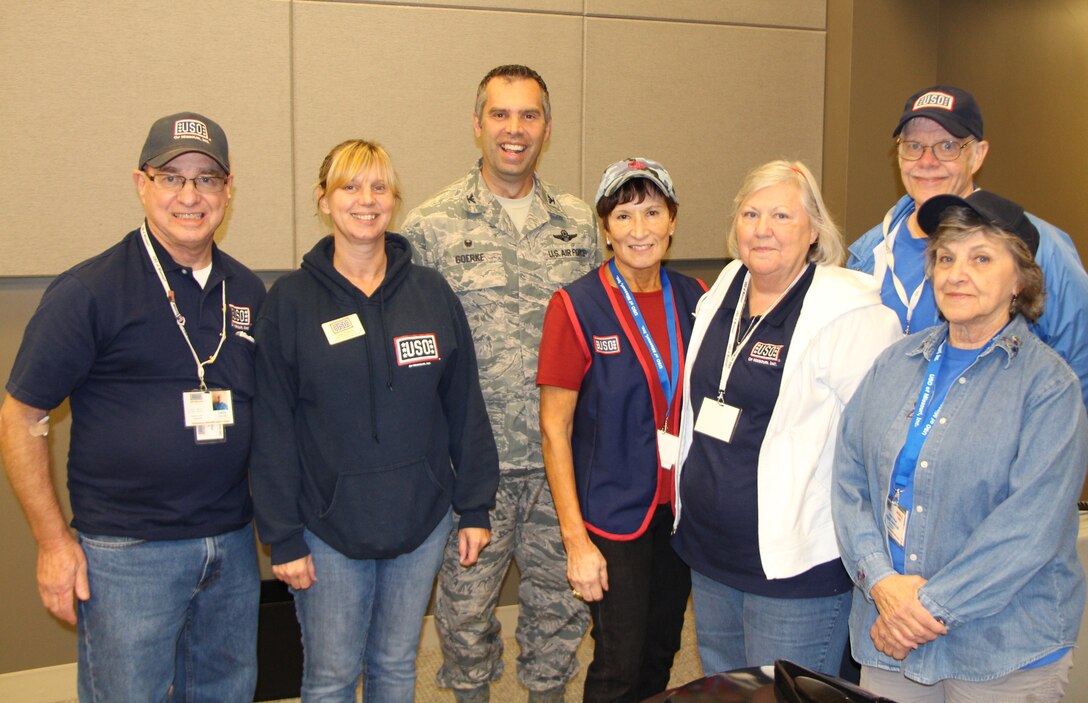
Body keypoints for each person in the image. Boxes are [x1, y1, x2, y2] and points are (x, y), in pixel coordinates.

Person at [0, 112, 264, 701]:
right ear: (141, 184)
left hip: (231, 544)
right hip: (129, 556)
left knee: (226, 692)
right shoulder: (89, 291)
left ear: (229, 190)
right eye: (171, 177)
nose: (190, 195)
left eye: (207, 179)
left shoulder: (245, 291)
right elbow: (20, 417)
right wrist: (52, 545)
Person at [249, 139, 499, 703]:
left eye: (379, 186)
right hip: (328, 526)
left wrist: (476, 504)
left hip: (421, 520)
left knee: (394, 667)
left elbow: (464, 405)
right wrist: (283, 536)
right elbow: (271, 431)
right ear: (323, 199)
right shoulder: (288, 303)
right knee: (332, 677)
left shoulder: (432, 293)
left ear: (395, 200)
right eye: (350, 186)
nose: (367, 199)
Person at [833, 190, 1088, 701]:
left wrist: (920, 611)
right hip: (892, 638)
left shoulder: (1049, 387)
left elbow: (1027, 530)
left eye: (981, 258)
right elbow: (849, 480)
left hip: (1001, 649)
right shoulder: (895, 363)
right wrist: (882, 584)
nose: (956, 273)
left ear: (1021, 280)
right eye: (946, 257)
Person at [402, 64, 600, 702]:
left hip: (560, 468)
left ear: (548, 126)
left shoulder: (582, 226)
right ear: (477, 123)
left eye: (529, 115)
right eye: (500, 114)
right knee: (462, 624)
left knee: (559, 617)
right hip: (471, 472)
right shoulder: (429, 229)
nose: (514, 130)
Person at [671, 160, 902, 677]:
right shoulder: (728, 283)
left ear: (814, 229)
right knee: (725, 685)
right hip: (710, 549)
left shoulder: (848, 310)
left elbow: (878, 443)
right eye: (751, 213)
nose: (763, 228)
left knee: (786, 690)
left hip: (795, 563)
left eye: (781, 215)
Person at [538, 158, 706, 702]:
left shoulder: (697, 299)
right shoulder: (575, 306)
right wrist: (575, 540)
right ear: (605, 228)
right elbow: (554, 429)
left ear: (673, 220)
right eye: (624, 215)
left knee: (662, 650)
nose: (640, 230)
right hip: (613, 516)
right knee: (619, 662)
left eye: (653, 212)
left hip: (677, 513)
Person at [847, 85, 1088, 407]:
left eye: (947, 146)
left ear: (978, 154)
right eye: (914, 146)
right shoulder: (868, 254)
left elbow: (1080, 364)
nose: (927, 161)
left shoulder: (1036, 247)